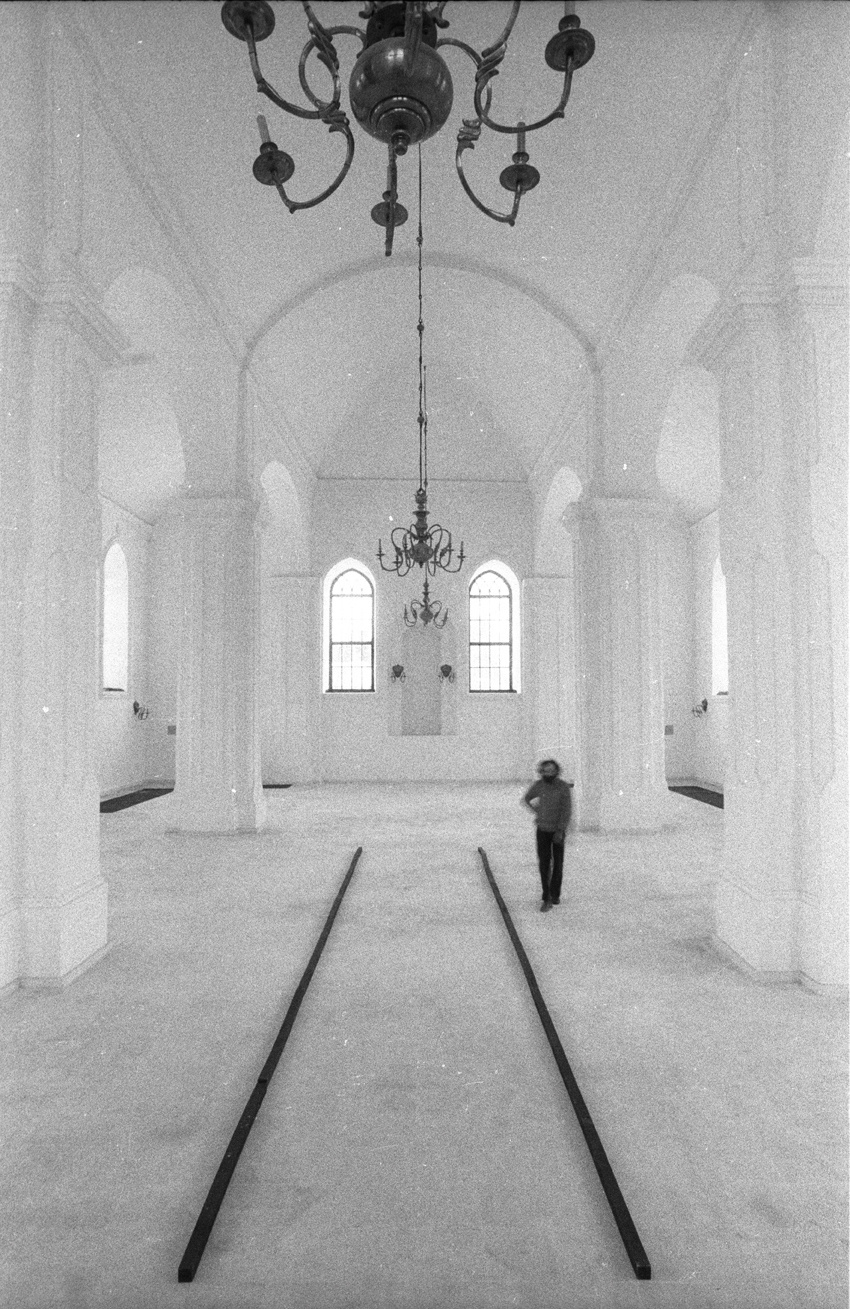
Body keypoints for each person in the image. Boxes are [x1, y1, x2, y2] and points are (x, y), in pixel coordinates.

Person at [522, 759, 572, 911]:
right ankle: (546, 896)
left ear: (557, 771)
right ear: (541, 772)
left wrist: (560, 830)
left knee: (557, 864)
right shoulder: (538, 785)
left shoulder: (563, 787)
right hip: (542, 830)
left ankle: (555, 894)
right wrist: (538, 811)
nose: (548, 773)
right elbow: (527, 798)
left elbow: (566, 810)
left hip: (557, 831)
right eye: (545, 771)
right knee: (544, 863)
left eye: (551, 771)